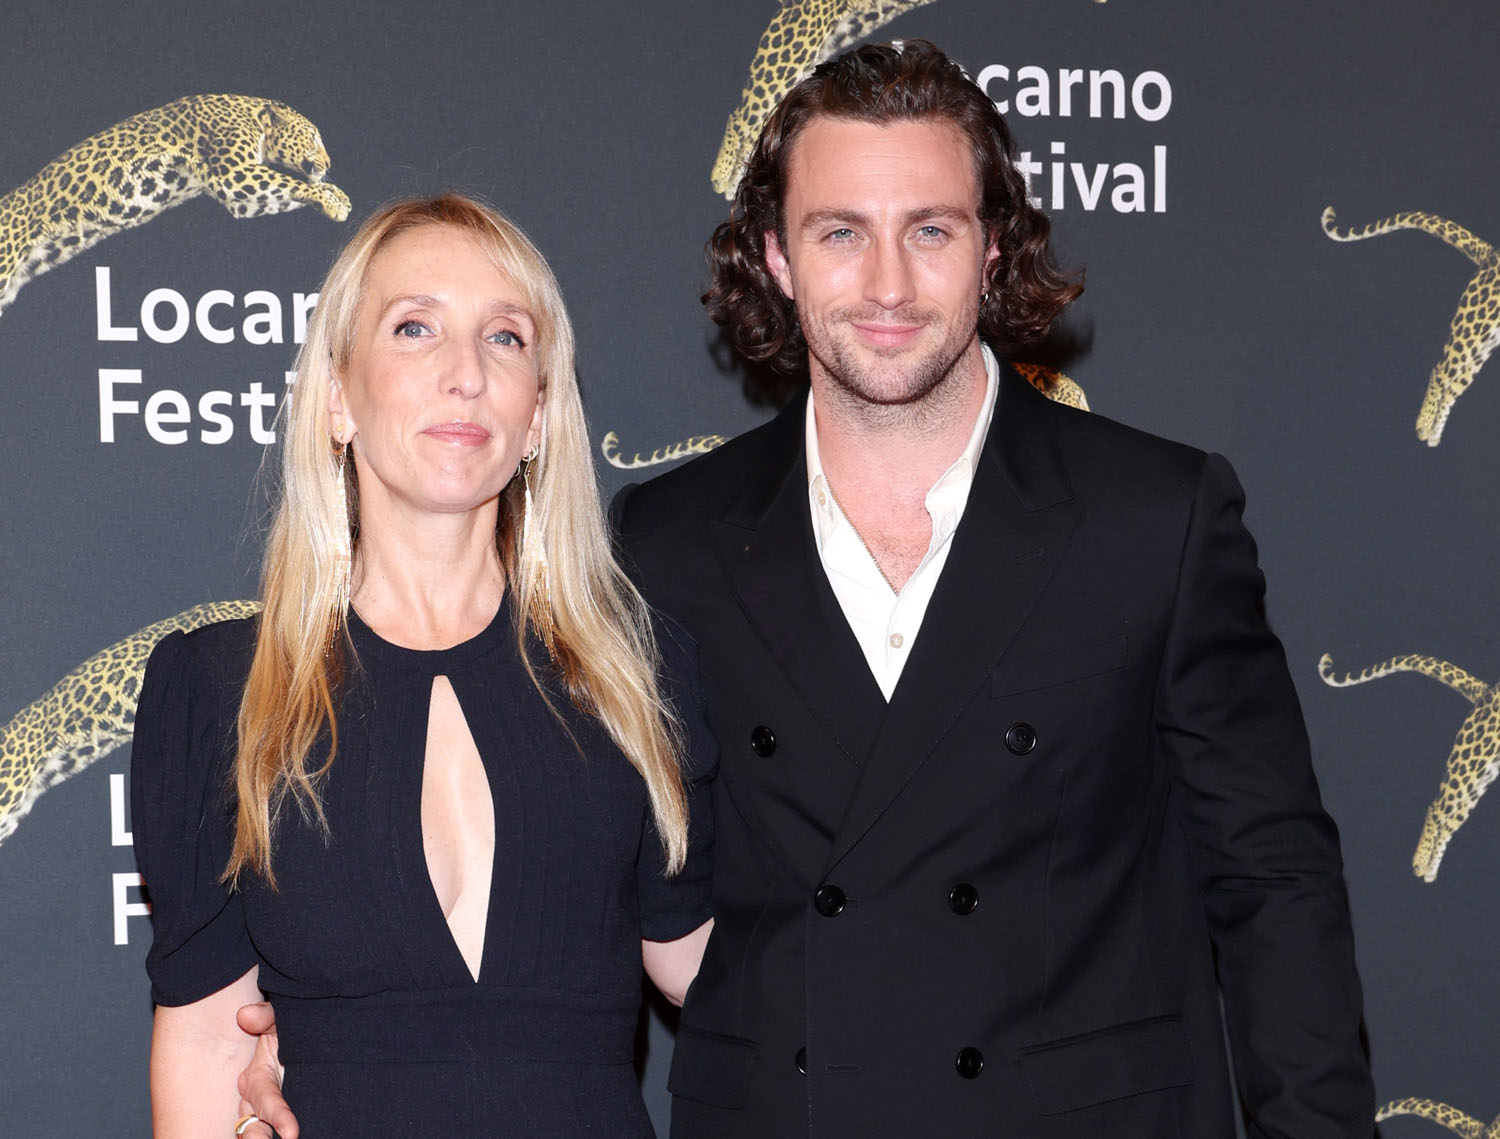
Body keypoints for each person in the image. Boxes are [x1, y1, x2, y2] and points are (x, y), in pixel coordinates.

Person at [242, 40, 1375, 1139]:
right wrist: (330, 1041)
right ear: (777, 260)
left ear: (991, 251)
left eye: (930, 230)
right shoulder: (666, 544)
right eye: (840, 232)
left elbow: (1276, 882)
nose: (888, 284)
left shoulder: (1154, 515)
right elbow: (565, 866)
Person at [131, 193, 715, 1138]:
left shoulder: (637, 673)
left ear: (538, 415)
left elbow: (711, 972)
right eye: (415, 328)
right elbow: (206, 1039)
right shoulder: (223, 690)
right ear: (337, 397)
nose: (466, 375)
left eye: (505, 338)